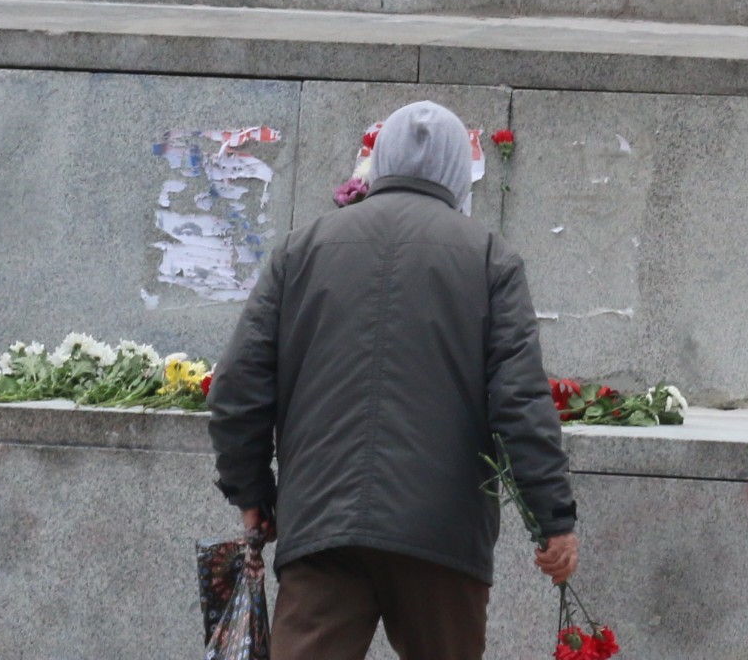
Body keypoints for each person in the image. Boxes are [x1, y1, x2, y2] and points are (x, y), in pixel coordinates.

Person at [210, 100, 577, 660]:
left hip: (323, 527)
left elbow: (238, 388)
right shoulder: (489, 259)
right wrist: (553, 518)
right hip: (441, 535)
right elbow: (521, 402)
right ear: (459, 173)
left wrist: (253, 492)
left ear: (378, 162)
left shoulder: (300, 250)